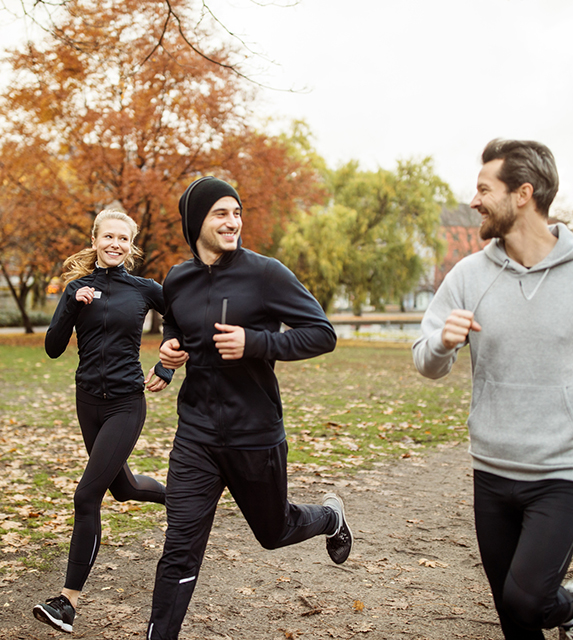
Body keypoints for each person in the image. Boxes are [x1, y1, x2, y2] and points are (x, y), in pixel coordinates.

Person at [413, 139, 573, 640]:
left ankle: (572, 606)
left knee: (528, 599)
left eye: (484, 189)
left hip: (560, 470)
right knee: (512, 616)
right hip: (492, 468)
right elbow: (426, 361)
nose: (474, 201)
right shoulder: (468, 274)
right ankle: (562, 611)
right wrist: (441, 342)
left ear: (524, 193)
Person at [146, 177, 352, 640]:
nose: (232, 221)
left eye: (236, 212)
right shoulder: (177, 279)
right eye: (221, 213)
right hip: (195, 434)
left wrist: (256, 342)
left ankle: (330, 517)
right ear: (195, 221)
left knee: (273, 531)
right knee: (179, 548)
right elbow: (176, 329)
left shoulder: (265, 273)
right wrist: (169, 356)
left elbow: (322, 333)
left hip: (253, 435)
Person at [33, 210, 174, 634]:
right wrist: (70, 308)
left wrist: (168, 365)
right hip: (87, 402)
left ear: (131, 246)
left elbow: (181, 318)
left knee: (86, 495)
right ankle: (184, 501)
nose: (115, 243)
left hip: (126, 404)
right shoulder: (78, 288)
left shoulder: (146, 289)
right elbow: (53, 347)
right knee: (124, 487)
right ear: (95, 240)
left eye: (123, 238)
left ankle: (67, 603)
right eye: (107, 236)